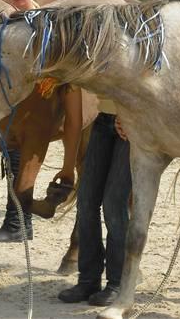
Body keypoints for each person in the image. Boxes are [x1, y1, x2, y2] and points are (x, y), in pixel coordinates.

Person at [0, 0, 82, 242]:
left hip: (52, 86)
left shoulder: (47, 17)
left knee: (74, 116)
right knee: (13, 156)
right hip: (16, 95)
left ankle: (67, 169)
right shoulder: (2, 17)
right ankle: (18, 223)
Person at [57, 97, 131, 307]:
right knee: (86, 201)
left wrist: (128, 113)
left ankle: (117, 283)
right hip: (103, 120)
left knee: (114, 205)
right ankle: (88, 280)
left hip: (134, 123)